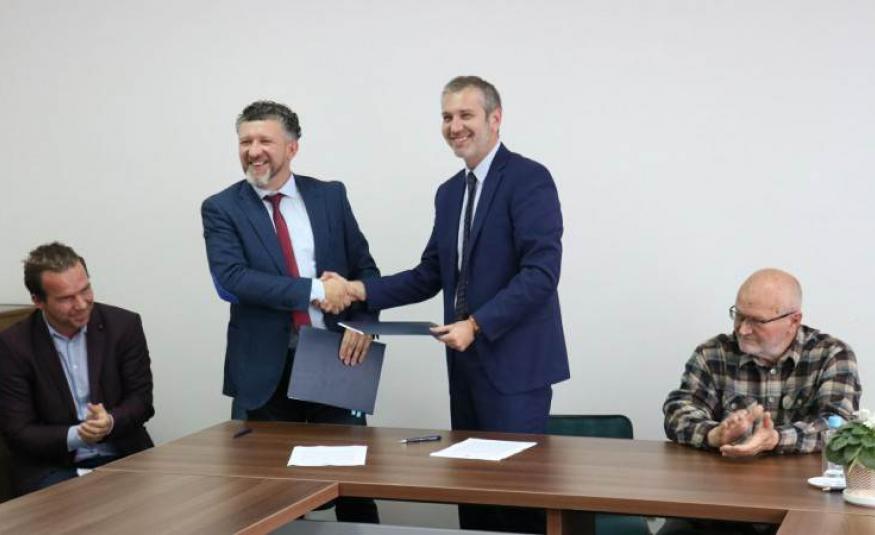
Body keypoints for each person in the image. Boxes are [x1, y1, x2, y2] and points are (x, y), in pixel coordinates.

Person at [335, 76, 569, 533]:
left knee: (514, 500)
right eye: (447, 116)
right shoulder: (449, 193)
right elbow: (430, 274)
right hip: (464, 367)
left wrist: (476, 324)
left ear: (495, 119)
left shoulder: (529, 179)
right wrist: (358, 290)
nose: (454, 126)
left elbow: (541, 273)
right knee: (471, 492)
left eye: (465, 115)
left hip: (516, 368)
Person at [201, 100, 380, 523]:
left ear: (292, 147)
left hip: (335, 359)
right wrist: (316, 289)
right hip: (265, 369)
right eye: (245, 141)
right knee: (271, 496)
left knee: (353, 485)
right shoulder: (222, 208)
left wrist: (363, 325)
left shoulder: (330, 196)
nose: (253, 151)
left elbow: (365, 271)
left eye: (265, 140)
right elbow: (233, 279)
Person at [660, 268, 862, 535]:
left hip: (805, 504)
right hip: (720, 507)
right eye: (739, 315)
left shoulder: (832, 355)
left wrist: (775, 438)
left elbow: (838, 426)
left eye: (756, 321)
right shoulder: (713, 353)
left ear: (793, 320)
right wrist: (713, 434)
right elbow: (678, 410)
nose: (742, 329)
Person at [0, 242, 154, 497]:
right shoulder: (13, 346)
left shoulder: (123, 326)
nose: (81, 304)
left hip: (124, 456)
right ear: (38, 301)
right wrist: (79, 435)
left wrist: (110, 422)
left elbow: (141, 401)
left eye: (85, 290)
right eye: (66, 298)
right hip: (53, 468)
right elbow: (19, 432)